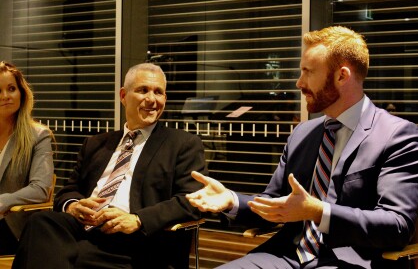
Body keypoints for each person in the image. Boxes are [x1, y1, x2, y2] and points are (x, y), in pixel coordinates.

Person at [187, 26, 418, 269]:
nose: (299, 83)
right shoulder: (302, 134)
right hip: (287, 255)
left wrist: (319, 212)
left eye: (308, 72)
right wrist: (231, 201)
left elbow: (397, 225)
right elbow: (276, 204)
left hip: (352, 261)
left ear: (342, 76)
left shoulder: (397, 135)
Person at [13, 63, 208, 268]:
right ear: (123, 96)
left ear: (165, 99)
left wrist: (137, 219)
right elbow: (68, 191)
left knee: (53, 256)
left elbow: (192, 201)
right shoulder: (96, 144)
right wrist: (73, 205)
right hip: (85, 230)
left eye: (158, 92)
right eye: (143, 90)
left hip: (138, 242)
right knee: (41, 223)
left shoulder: (182, 144)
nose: (151, 99)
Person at [0, 61, 54, 255]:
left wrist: (4, 201)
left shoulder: (38, 136)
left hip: (12, 227)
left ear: (21, 93)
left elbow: (40, 189)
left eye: (11, 89)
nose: (5, 96)